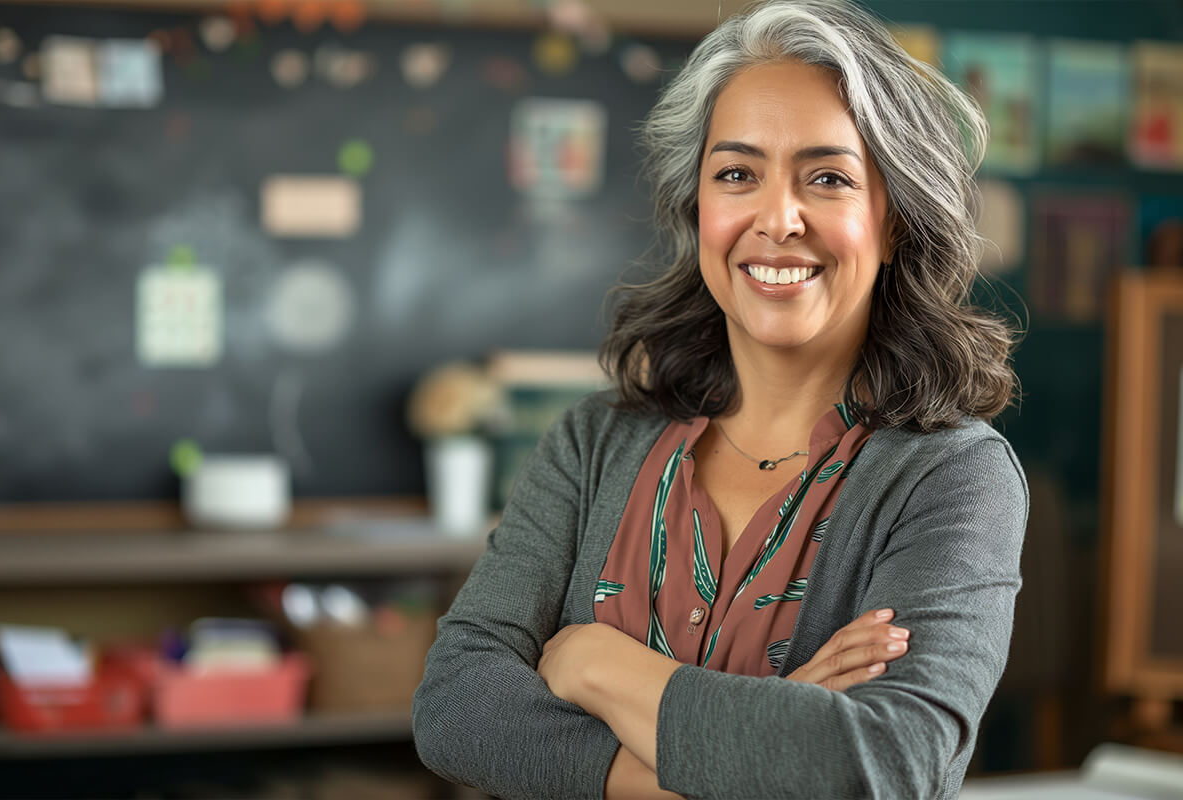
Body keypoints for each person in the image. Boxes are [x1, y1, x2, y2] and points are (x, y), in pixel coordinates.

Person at [413, 1, 1027, 798]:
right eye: (737, 174)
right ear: (696, 206)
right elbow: (455, 705)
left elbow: (882, 765)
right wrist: (765, 737)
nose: (777, 218)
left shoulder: (954, 479)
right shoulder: (594, 442)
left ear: (894, 221)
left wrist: (593, 663)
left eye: (829, 178)